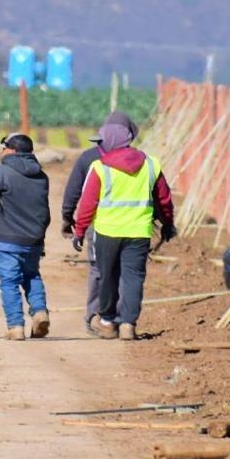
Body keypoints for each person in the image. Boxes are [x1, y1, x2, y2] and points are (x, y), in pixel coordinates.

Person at [71, 119, 176, 340]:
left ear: (111, 142)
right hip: (138, 232)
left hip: (107, 232)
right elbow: (164, 199)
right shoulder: (151, 164)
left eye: (102, 142)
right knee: (133, 278)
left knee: (107, 276)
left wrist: (80, 231)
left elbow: (87, 204)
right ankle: (128, 323)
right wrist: (168, 224)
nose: (99, 146)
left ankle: (108, 322)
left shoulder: (99, 168)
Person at [0, 133, 51, 340]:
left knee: (9, 282)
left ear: (12, 150)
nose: (0, 152)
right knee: (32, 275)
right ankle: (40, 311)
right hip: (34, 239)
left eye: (3, 148)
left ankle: (15, 327)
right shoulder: (42, 176)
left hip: (7, 239)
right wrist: (41, 237)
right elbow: (44, 210)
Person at [60, 111, 138, 336]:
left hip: (100, 223)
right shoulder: (140, 160)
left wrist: (68, 219)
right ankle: (124, 320)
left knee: (99, 269)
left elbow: (74, 192)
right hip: (134, 224)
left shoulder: (88, 158)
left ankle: (98, 317)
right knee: (127, 271)